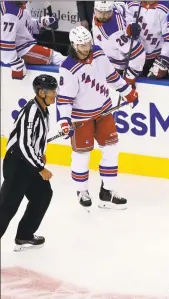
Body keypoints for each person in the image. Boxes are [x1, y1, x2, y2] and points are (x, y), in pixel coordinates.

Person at [57, 26, 139, 210]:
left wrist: (127, 91)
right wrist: (63, 121)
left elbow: (111, 76)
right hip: (81, 118)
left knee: (111, 149)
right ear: (73, 45)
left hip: (104, 111)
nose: (86, 47)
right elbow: (64, 99)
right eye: (82, 44)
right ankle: (82, 191)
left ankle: (107, 191)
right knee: (82, 154)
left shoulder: (99, 53)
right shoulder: (67, 67)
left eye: (88, 43)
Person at [0, 74, 57, 251]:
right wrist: (40, 167)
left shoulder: (43, 109)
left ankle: (24, 236)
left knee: (42, 195)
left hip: (29, 162)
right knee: (7, 207)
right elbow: (24, 145)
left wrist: (41, 153)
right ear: (41, 92)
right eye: (51, 91)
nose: (54, 94)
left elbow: (34, 140)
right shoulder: (31, 111)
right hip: (17, 163)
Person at [0, 1, 65, 80]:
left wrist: (44, 22)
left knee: (57, 57)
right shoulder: (10, 13)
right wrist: (16, 63)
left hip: (23, 45)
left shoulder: (19, 5)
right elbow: (4, 47)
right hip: (20, 50)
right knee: (56, 58)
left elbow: (26, 25)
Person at [92, 1, 146, 88]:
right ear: (95, 10)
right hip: (103, 62)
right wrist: (129, 24)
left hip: (116, 69)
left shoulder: (114, 32)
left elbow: (138, 52)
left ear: (111, 10)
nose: (103, 16)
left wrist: (130, 76)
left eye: (106, 12)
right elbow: (122, 6)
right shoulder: (113, 8)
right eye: (100, 12)